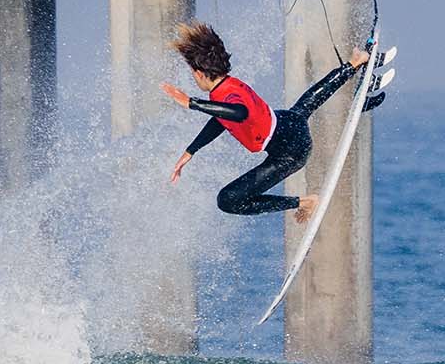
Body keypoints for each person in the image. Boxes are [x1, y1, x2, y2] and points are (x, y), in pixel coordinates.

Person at [160, 21, 374, 224]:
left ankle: (304, 201)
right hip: (288, 122)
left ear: (199, 73)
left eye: (193, 75)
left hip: (291, 151)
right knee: (307, 103)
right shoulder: (227, 85)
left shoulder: (226, 96)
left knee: (228, 200)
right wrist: (191, 151)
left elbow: (239, 113)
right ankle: (354, 63)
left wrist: (192, 103)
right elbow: (222, 118)